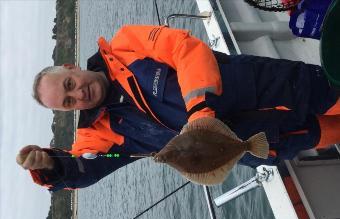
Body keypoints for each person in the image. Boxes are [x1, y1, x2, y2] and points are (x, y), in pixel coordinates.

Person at [16, 25, 340, 191]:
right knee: (330, 133)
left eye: (69, 85)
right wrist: (50, 167)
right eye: (69, 102)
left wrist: (201, 113)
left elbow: (185, 49)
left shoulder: (126, 44)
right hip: (266, 141)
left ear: (71, 68)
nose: (79, 95)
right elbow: (79, 171)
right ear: (68, 112)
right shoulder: (98, 135)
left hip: (271, 86)